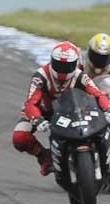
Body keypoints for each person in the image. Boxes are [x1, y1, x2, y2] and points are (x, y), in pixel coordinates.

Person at [12, 41, 110, 176]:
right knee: (19, 137)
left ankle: (101, 156)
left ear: (75, 64)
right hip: (42, 111)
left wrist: (107, 109)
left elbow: (98, 95)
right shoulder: (40, 76)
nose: (62, 70)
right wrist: (37, 119)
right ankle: (45, 157)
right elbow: (31, 103)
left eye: (67, 66)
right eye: (59, 65)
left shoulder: (80, 75)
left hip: (70, 109)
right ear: (51, 61)